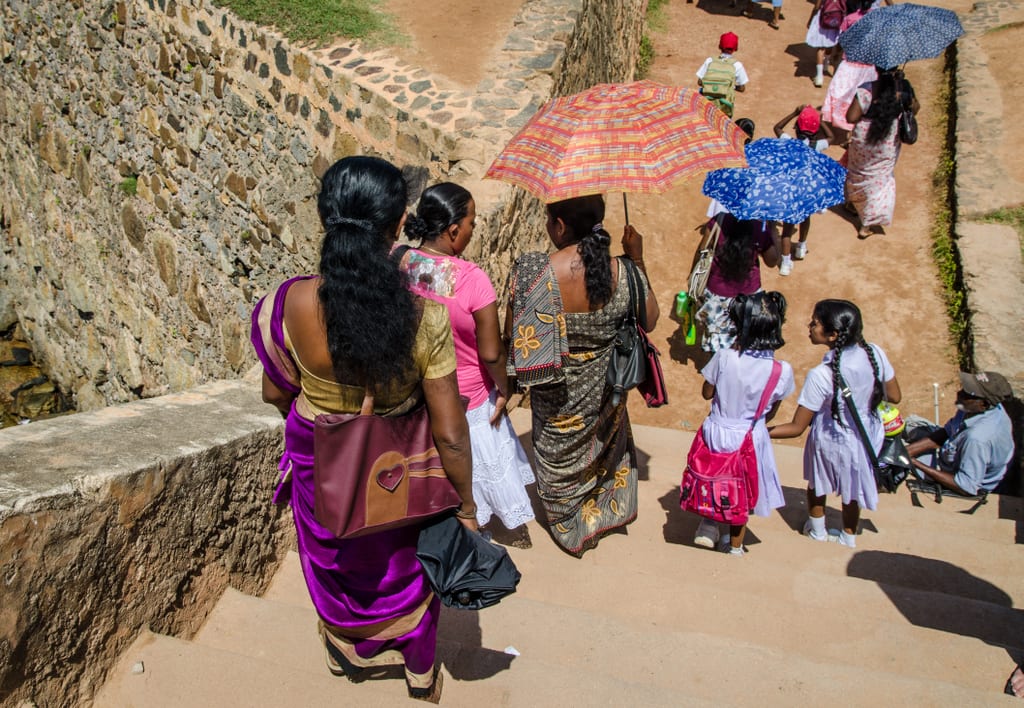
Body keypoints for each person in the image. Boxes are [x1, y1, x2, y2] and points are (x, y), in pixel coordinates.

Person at [250, 156, 477, 703]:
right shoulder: (424, 313)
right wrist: (466, 505)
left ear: (325, 217)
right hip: (398, 462)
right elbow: (449, 430)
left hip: (318, 454)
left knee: (333, 559)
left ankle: (342, 644)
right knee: (407, 565)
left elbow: (274, 392)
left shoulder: (289, 302)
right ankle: (420, 671)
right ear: (398, 224)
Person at [504, 194, 659, 557]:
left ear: (559, 225)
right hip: (607, 389)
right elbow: (649, 320)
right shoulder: (625, 271)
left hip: (555, 398)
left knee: (555, 455)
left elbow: (514, 333)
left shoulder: (535, 272)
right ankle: (602, 511)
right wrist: (636, 258)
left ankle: (567, 522)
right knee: (601, 445)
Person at [400, 182, 536, 546]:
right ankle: (481, 523)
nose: (475, 230)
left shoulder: (404, 262)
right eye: (472, 223)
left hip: (419, 394)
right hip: (468, 398)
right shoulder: (472, 279)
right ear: (453, 230)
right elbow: (491, 353)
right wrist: (504, 388)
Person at [769, 299, 901, 548]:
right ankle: (848, 537)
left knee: (818, 483)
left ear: (832, 335)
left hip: (831, 438)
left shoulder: (821, 375)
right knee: (853, 488)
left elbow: (797, 427)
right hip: (866, 436)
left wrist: (761, 432)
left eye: (815, 323)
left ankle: (817, 531)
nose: (809, 326)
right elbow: (894, 396)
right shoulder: (875, 354)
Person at [692, 292, 795, 555]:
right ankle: (734, 545)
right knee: (742, 490)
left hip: (717, 430)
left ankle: (708, 525)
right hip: (751, 435)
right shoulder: (781, 371)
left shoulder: (725, 357)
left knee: (714, 478)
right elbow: (771, 410)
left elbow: (707, 393)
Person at [905, 371, 1015, 496]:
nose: (960, 393)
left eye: (968, 393)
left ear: (983, 404)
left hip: (961, 476)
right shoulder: (974, 407)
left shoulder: (977, 440)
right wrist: (907, 451)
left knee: (897, 465)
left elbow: (966, 486)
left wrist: (913, 462)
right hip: (954, 449)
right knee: (910, 424)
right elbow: (947, 432)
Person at [845, 68, 919, 239]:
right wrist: (903, 89)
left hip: (863, 138)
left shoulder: (867, 89)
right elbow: (915, 108)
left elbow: (851, 117)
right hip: (888, 138)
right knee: (880, 178)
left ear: (876, 69)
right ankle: (867, 223)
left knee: (859, 173)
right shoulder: (904, 88)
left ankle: (854, 203)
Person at [696, 215, 780, 354]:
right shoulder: (761, 229)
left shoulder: (719, 221)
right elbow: (772, 261)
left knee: (718, 337)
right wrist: (773, 234)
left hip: (717, 293)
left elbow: (703, 249)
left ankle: (720, 367)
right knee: (746, 335)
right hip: (749, 296)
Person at [773, 105, 834, 275]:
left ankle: (785, 263)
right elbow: (831, 136)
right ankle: (801, 246)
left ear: (797, 128)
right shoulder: (817, 145)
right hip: (807, 193)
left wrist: (794, 113)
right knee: (805, 219)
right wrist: (820, 121)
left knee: (786, 229)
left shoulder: (788, 142)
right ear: (815, 132)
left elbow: (777, 128)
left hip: (790, 193)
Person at [821, 0, 878, 137]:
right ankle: (851, 132)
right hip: (868, 67)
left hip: (849, 64)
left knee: (841, 93)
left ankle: (839, 122)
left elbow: (842, 40)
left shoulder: (850, 19)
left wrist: (835, 54)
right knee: (861, 98)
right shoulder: (877, 19)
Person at [696, 32, 749, 117]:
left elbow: (699, 82)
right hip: (724, 106)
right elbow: (742, 88)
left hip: (706, 104)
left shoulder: (710, 61)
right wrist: (731, 86)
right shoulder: (737, 65)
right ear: (736, 48)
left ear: (719, 46)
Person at [805, 0, 842, 87]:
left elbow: (817, 6)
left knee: (820, 47)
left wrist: (810, 19)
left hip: (823, 17)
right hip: (836, 19)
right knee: (830, 42)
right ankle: (826, 63)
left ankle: (819, 76)